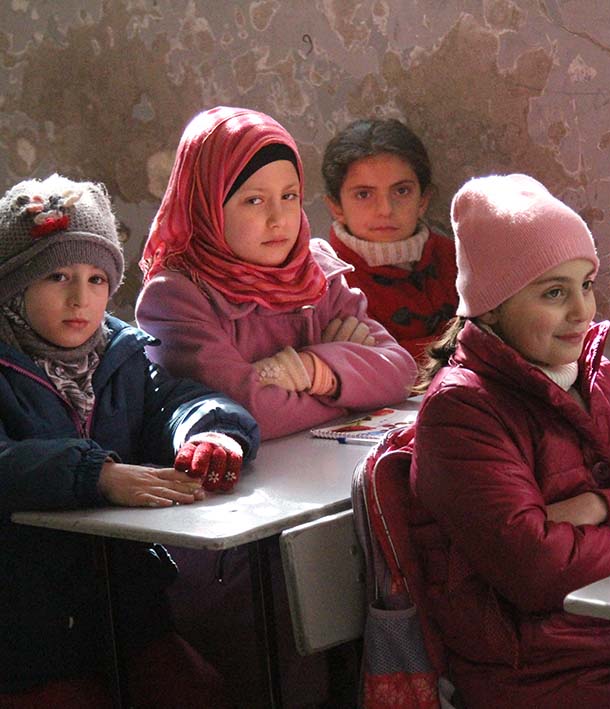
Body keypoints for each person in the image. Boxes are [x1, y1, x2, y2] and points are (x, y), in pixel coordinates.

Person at [411, 174, 610, 708]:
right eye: (554, 293)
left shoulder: (597, 379)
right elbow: (536, 568)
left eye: (585, 284)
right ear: (491, 306)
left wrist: (605, 507)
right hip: (553, 684)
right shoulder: (462, 410)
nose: (583, 311)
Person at [0, 174, 259, 707]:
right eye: (56, 276)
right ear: (13, 287)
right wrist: (93, 474)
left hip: (129, 615)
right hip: (25, 636)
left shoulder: (119, 355)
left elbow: (176, 400)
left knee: (198, 694)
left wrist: (210, 432)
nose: (80, 298)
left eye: (98, 279)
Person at [136, 106, 417, 441]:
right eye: (254, 201)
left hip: (327, 476)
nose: (278, 219)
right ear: (207, 205)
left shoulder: (315, 273)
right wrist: (349, 391)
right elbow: (251, 413)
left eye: (289, 196)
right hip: (244, 486)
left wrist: (309, 371)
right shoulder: (175, 297)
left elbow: (400, 372)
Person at [322, 118, 458, 359]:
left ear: (423, 200)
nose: (385, 209)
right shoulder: (325, 283)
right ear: (336, 207)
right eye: (363, 194)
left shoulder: (457, 260)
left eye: (401, 191)